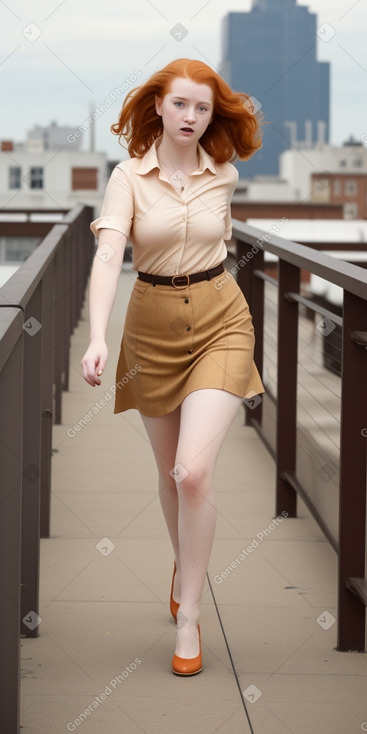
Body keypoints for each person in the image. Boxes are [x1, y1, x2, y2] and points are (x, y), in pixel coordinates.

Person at [81, 57, 265, 676]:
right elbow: (110, 255)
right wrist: (98, 336)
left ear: (213, 115)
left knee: (192, 472)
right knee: (169, 474)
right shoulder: (127, 178)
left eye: (203, 108)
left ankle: (189, 614)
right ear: (158, 105)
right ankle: (185, 566)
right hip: (152, 326)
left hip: (221, 320)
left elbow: (221, 243)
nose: (191, 117)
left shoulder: (225, 176)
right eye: (181, 104)